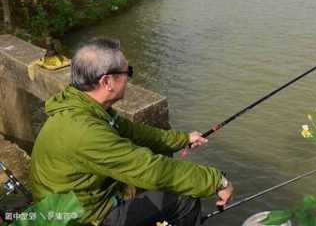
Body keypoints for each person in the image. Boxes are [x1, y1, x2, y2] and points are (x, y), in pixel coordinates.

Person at [30, 38, 233, 226]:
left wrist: (183, 139)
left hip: (82, 199)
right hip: (80, 217)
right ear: (107, 82)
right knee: (183, 199)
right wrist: (217, 181)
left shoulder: (83, 105)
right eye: (128, 73)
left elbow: (134, 132)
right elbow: (149, 169)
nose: (129, 79)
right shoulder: (86, 132)